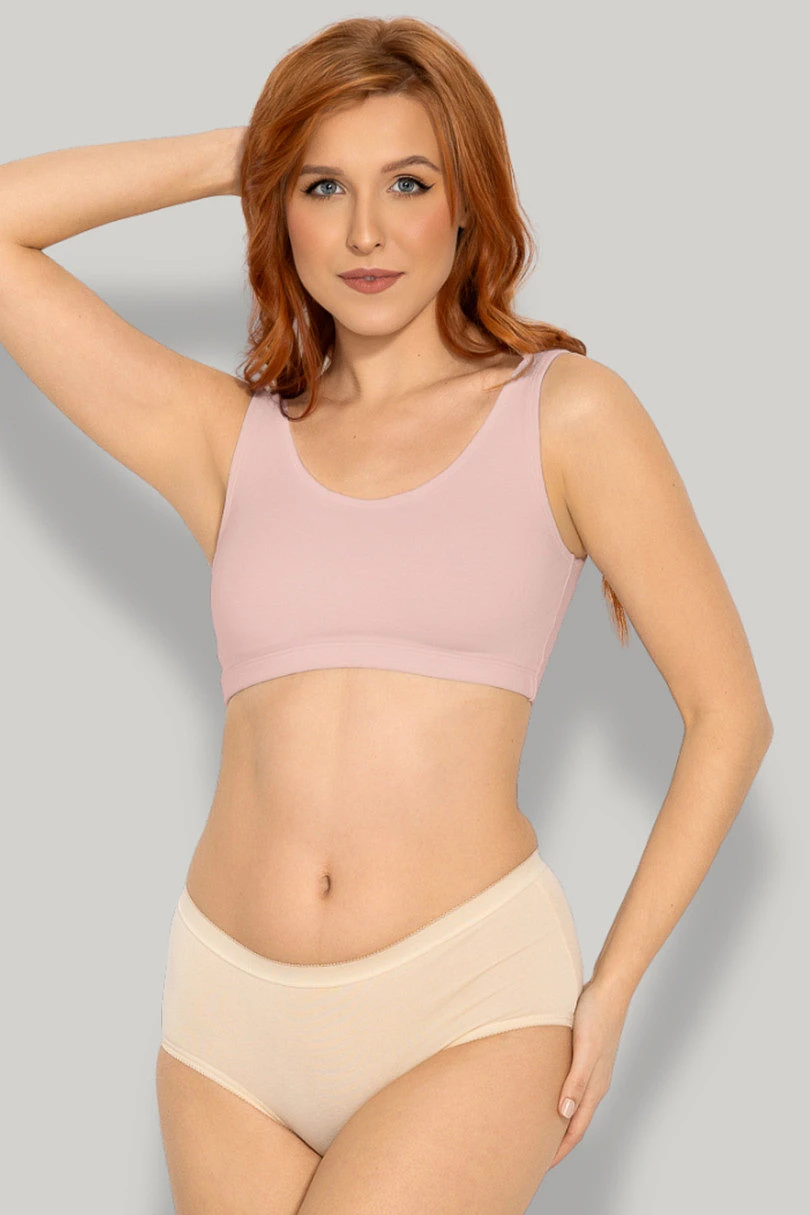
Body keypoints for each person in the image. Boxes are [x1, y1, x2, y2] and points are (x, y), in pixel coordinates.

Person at [0, 15, 773, 1215]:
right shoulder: (228, 442)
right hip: (227, 1027)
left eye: (407, 183)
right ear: (280, 213)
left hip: (464, 1006)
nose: (365, 231)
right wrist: (243, 150)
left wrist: (612, 988)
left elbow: (730, 715)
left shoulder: (567, 414)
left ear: (466, 205)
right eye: (324, 188)